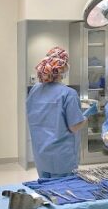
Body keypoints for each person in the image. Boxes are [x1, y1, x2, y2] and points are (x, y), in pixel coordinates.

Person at [26, 47, 95, 178]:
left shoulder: (35, 90)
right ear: (62, 69)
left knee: (45, 187)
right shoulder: (68, 94)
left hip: (41, 154)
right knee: (63, 189)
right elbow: (74, 126)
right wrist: (87, 115)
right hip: (62, 157)